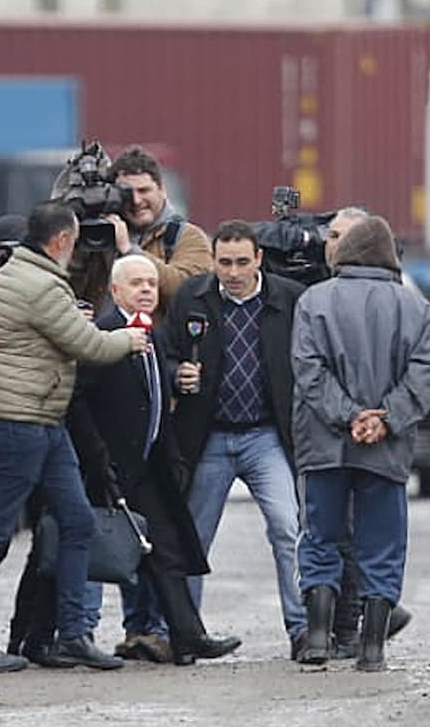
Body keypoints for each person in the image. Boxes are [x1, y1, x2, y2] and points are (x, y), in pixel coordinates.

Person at [0, 201, 146, 673]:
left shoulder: (23, 273)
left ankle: (73, 634)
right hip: (19, 420)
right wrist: (129, 338)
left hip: (44, 417)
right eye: (74, 241)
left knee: (77, 521)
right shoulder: (41, 284)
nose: (76, 249)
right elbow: (87, 345)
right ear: (60, 240)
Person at [65, 254, 241, 665]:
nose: (146, 289)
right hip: (106, 467)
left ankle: (187, 637)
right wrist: (97, 457)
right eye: (136, 283)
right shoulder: (103, 333)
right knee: (74, 552)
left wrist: (171, 457)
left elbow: (156, 401)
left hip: (146, 468)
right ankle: (44, 634)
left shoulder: (155, 334)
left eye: (151, 283)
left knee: (166, 552)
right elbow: (78, 400)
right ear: (115, 291)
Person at [293, 215, 430, 671]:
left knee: (320, 535)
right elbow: (425, 371)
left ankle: (317, 638)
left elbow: (308, 369)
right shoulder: (415, 307)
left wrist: (348, 415)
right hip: (385, 448)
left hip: (324, 441)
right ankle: (372, 649)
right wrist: (386, 419)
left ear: (345, 254)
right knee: (382, 543)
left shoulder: (314, 300)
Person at [162, 219, 307, 660]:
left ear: (259, 258)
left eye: (242, 262)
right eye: (224, 263)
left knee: (287, 527)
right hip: (210, 437)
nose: (233, 272)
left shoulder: (289, 299)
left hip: (265, 437)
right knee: (193, 538)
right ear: (213, 261)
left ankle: (301, 628)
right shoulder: (192, 298)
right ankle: (187, 635)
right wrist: (176, 374)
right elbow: (166, 351)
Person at [321, 206, 413, 656]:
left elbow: (419, 367)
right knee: (336, 536)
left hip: (346, 436)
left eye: (344, 236)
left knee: (346, 535)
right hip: (335, 435)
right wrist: (376, 417)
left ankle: (343, 631)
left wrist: (368, 416)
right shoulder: (314, 293)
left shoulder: (320, 299)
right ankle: (352, 634)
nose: (334, 244)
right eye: (331, 234)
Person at [108, 145, 212, 314]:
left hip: (159, 331)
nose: (136, 201)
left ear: (162, 189)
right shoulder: (102, 236)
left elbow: (190, 291)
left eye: (144, 190)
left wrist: (129, 250)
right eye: (127, 194)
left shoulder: (188, 236)